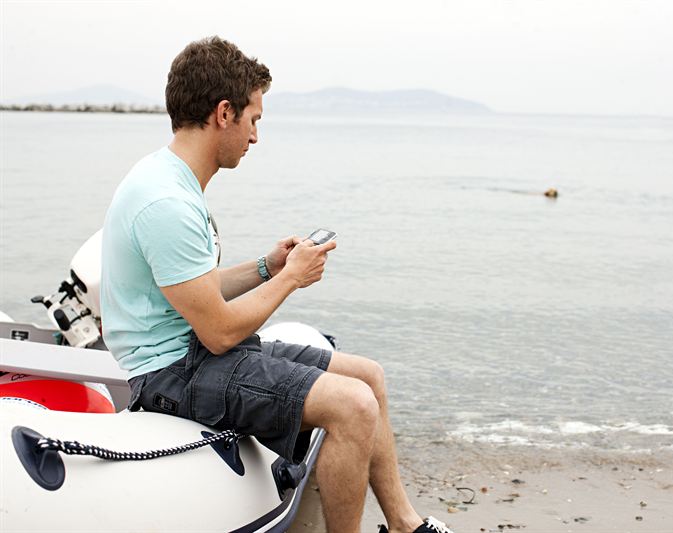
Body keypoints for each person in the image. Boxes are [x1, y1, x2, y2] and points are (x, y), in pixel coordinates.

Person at [100, 36, 454, 533]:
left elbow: (197, 289)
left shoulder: (167, 178)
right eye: (254, 119)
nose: (255, 136)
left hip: (195, 355)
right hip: (171, 373)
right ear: (225, 113)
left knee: (369, 377)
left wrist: (267, 267)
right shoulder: (167, 203)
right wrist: (291, 279)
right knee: (353, 406)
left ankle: (403, 523)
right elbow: (219, 332)